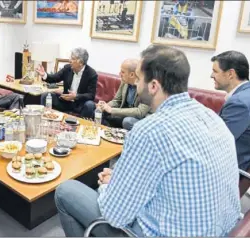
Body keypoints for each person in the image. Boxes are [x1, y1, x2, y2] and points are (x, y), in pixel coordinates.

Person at [54, 45, 241, 237]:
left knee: (65, 190)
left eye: (138, 77)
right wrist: (122, 179)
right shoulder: (212, 118)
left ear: (153, 86)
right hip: (222, 230)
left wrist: (109, 186)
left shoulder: (150, 131)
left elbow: (114, 214)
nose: (135, 82)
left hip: (161, 233)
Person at [211, 50, 250, 197]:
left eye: (215, 71)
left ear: (230, 74)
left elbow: (217, 142)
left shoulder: (239, 102)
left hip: (229, 169)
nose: (211, 76)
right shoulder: (245, 94)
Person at [38, 47, 98, 119]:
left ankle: (84, 126)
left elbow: (91, 95)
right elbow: (55, 78)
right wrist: (44, 74)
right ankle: (45, 120)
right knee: (46, 95)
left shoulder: (91, 74)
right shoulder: (67, 68)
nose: (70, 61)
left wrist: (76, 96)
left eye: (73, 59)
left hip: (80, 105)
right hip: (65, 102)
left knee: (90, 105)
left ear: (81, 62)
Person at [97, 59, 150, 130]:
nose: (119, 74)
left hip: (140, 119)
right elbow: (117, 100)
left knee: (127, 121)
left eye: (122, 72)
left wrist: (111, 110)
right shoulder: (125, 82)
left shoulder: (146, 86)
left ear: (132, 74)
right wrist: (105, 106)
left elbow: (140, 112)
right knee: (101, 112)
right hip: (125, 114)